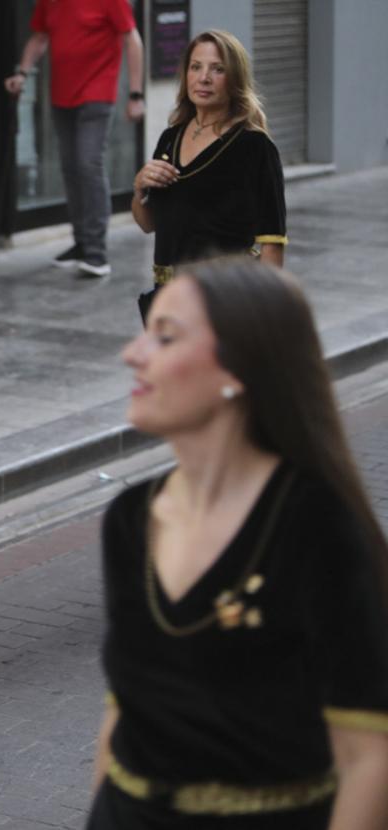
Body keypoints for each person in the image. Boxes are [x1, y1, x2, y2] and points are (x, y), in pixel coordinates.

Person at [89, 257, 388, 828]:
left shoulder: (317, 527)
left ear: (239, 367)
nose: (133, 353)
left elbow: (367, 755)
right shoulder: (129, 520)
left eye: (165, 336)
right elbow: (123, 713)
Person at [132, 30, 286, 305]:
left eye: (218, 69)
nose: (204, 78)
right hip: (168, 297)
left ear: (235, 79)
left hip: (224, 296)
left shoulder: (254, 146)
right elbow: (149, 223)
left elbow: (272, 244)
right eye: (196, 67)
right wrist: (139, 188)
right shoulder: (171, 137)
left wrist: (260, 317)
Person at [5, 0, 145, 278]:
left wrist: (136, 94)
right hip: (61, 96)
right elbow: (39, 37)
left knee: (88, 164)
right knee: (70, 168)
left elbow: (133, 39)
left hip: (97, 94)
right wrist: (22, 71)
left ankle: (96, 252)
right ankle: (81, 242)